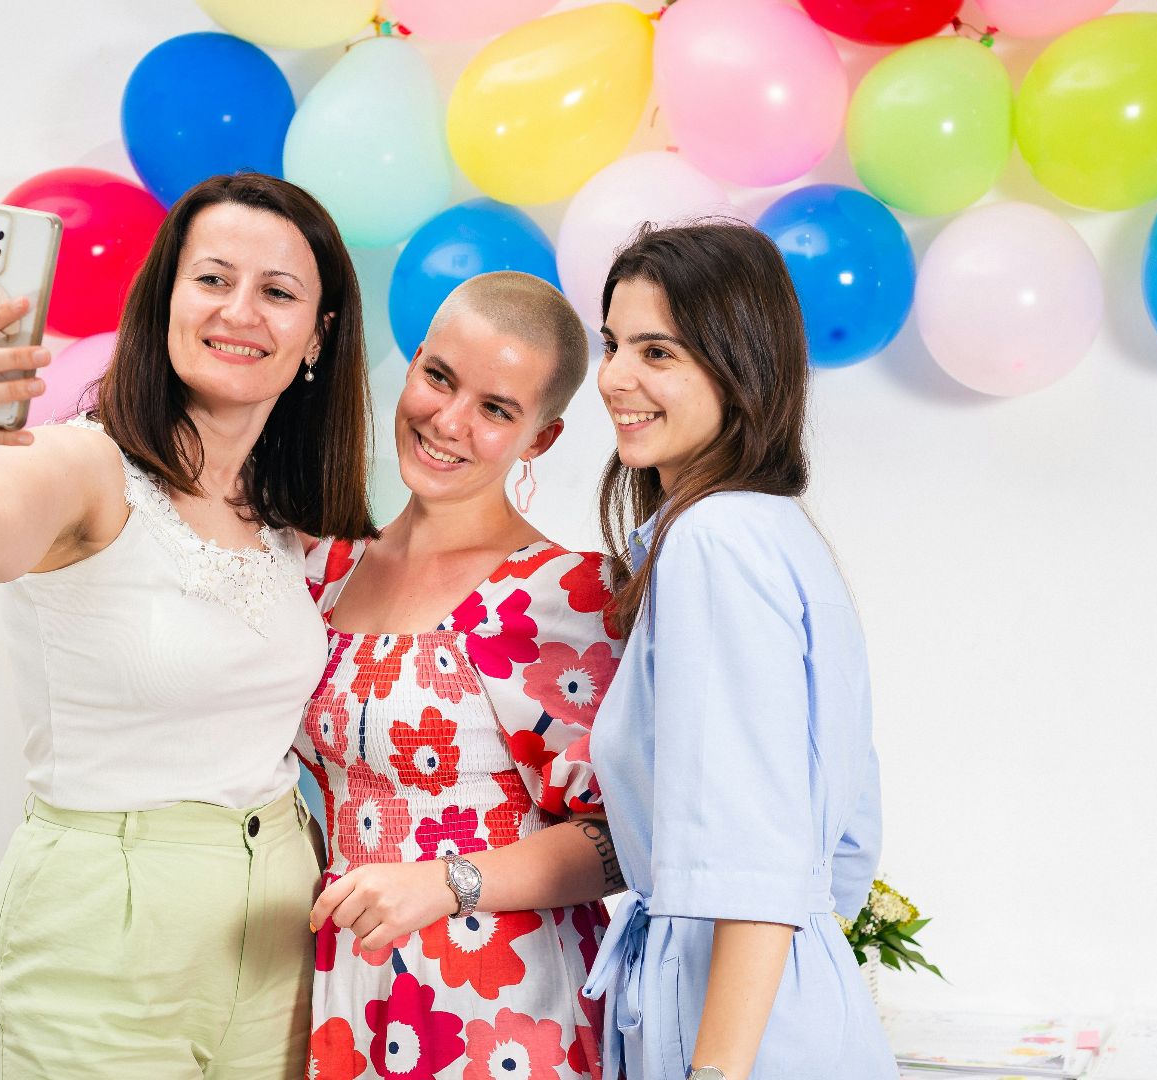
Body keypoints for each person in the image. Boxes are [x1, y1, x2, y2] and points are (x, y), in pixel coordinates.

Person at [0, 172, 376, 1079]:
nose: (241, 311)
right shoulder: (86, 467)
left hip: (278, 919)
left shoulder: (290, 519)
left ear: (319, 336)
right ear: (165, 301)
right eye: (213, 279)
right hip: (108, 928)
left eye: (279, 292)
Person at [582, 222, 894, 1080]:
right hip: (791, 992)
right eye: (612, 344)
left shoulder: (714, 540)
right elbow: (847, 848)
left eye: (658, 352)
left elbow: (750, 859)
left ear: (739, 366)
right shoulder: (779, 534)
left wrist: (714, 1069)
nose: (614, 378)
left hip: (729, 1015)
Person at [299, 271, 627, 1080]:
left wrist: (447, 884)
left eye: (496, 409)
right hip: (348, 987)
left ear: (539, 438)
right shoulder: (323, 571)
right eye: (438, 377)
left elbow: (624, 840)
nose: (447, 422)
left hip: (505, 1007)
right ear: (411, 364)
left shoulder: (565, 594)